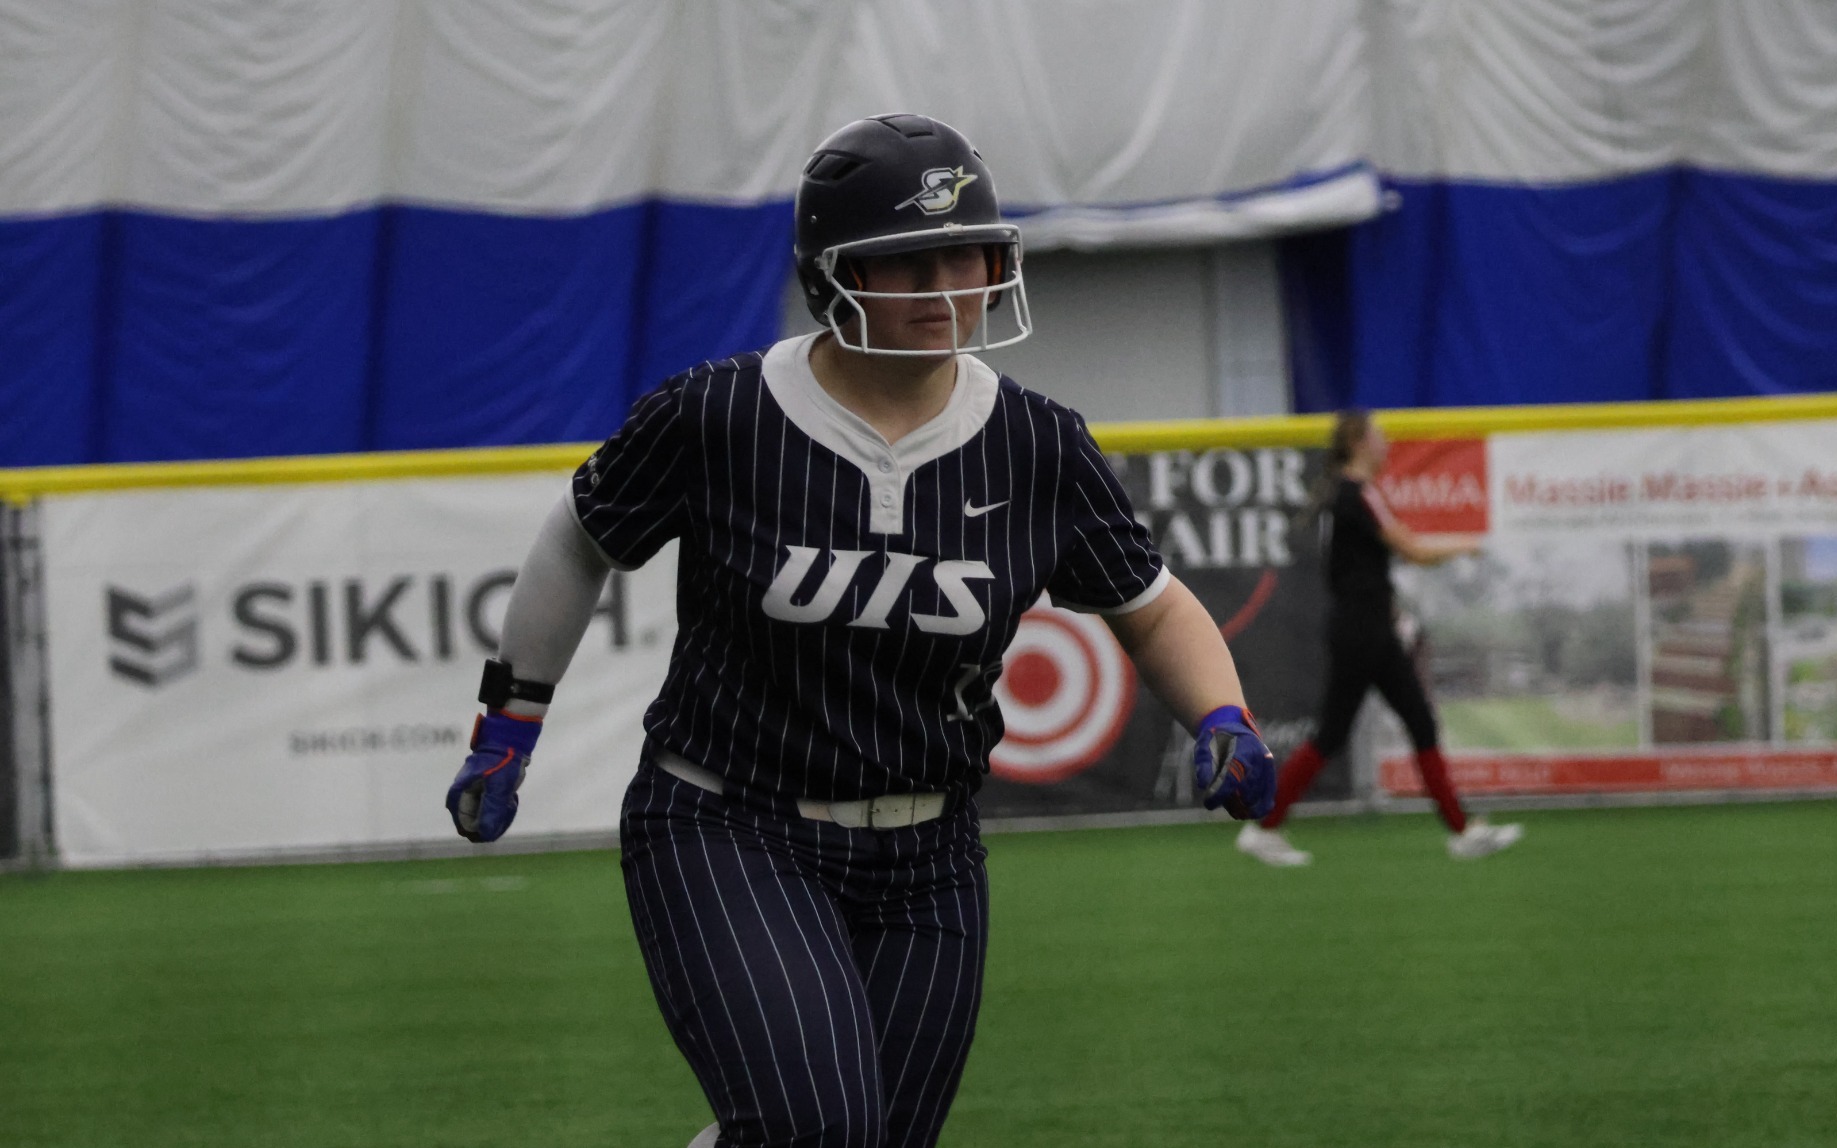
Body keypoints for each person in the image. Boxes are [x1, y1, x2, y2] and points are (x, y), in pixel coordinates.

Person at [443, 114, 1277, 1148]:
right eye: (906, 262)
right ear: (833, 274)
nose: (944, 288)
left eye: (965, 256)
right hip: (729, 823)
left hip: (930, 853)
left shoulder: (1037, 443)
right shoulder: (719, 415)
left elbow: (1151, 606)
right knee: (816, 1128)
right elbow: (581, 541)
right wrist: (509, 724)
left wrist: (1223, 715)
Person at [1235, 409, 1523, 867]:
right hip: (1361, 631)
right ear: (1357, 442)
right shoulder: (1358, 493)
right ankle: (1264, 827)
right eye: (1378, 437)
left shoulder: (1342, 492)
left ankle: (1464, 830)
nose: (1386, 444)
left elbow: (1364, 565)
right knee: (1336, 733)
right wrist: (1466, 544)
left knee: (1416, 722)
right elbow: (1411, 549)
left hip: (1368, 628)